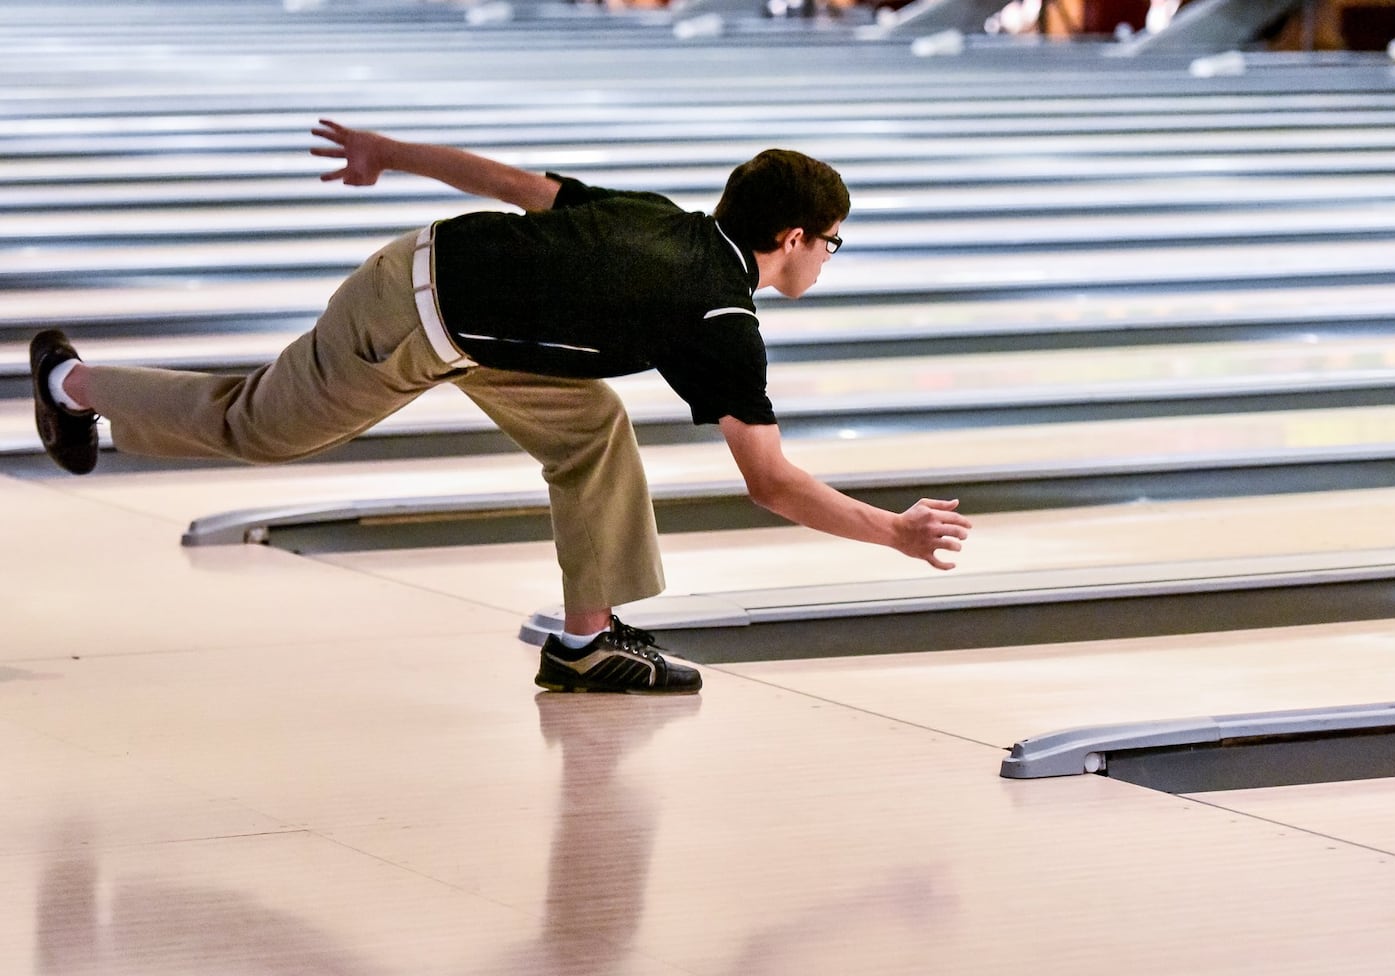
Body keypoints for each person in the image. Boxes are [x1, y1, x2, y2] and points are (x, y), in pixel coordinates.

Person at [29, 120, 973, 695]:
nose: (828, 261)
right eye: (833, 246)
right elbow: (768, 482)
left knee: (592, 429)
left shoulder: (665, 218)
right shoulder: (719, 313)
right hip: (417, 318)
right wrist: (892, 532)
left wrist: (388, 154)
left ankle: (586, 647)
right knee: (260, 426)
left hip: (459, 302)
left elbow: (519, 187)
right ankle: (70, 385)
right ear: (796, 237)